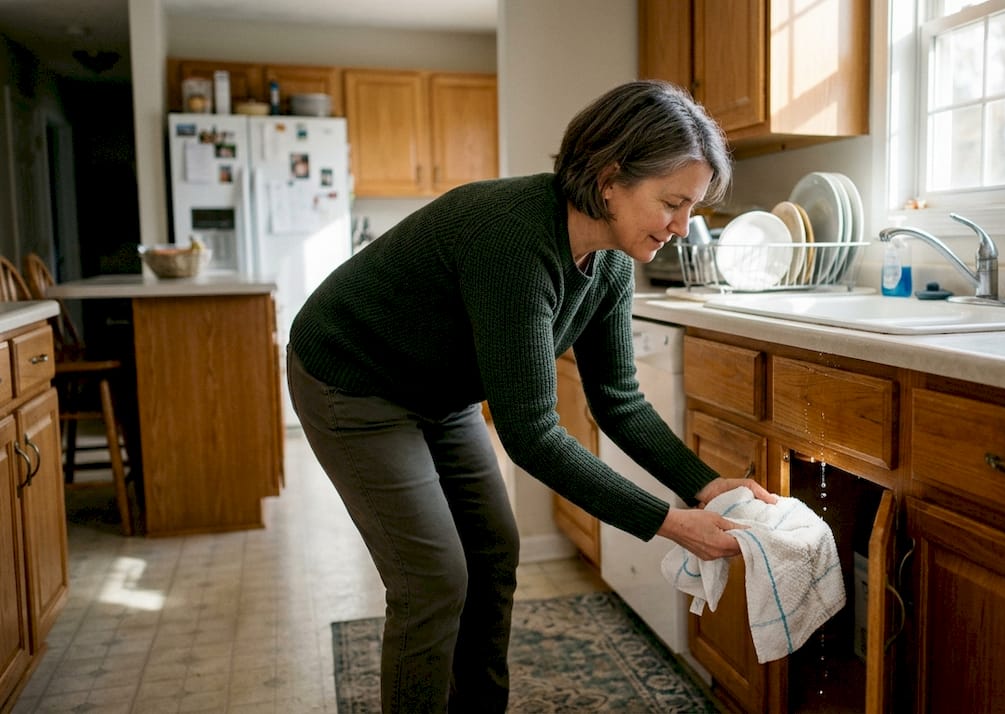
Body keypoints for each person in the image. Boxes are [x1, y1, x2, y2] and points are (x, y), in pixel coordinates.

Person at [286, 79, 776, 713]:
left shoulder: (612, 262)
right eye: (672, 203)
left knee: (493, 554)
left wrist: (705, 486)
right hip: (355, 378)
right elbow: (531, 435)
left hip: (442, 392)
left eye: (692, 209)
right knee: (433, 581)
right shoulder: (513, 239)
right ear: (610, 180)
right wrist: (672, 524)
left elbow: (618, 399)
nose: (682, 227)